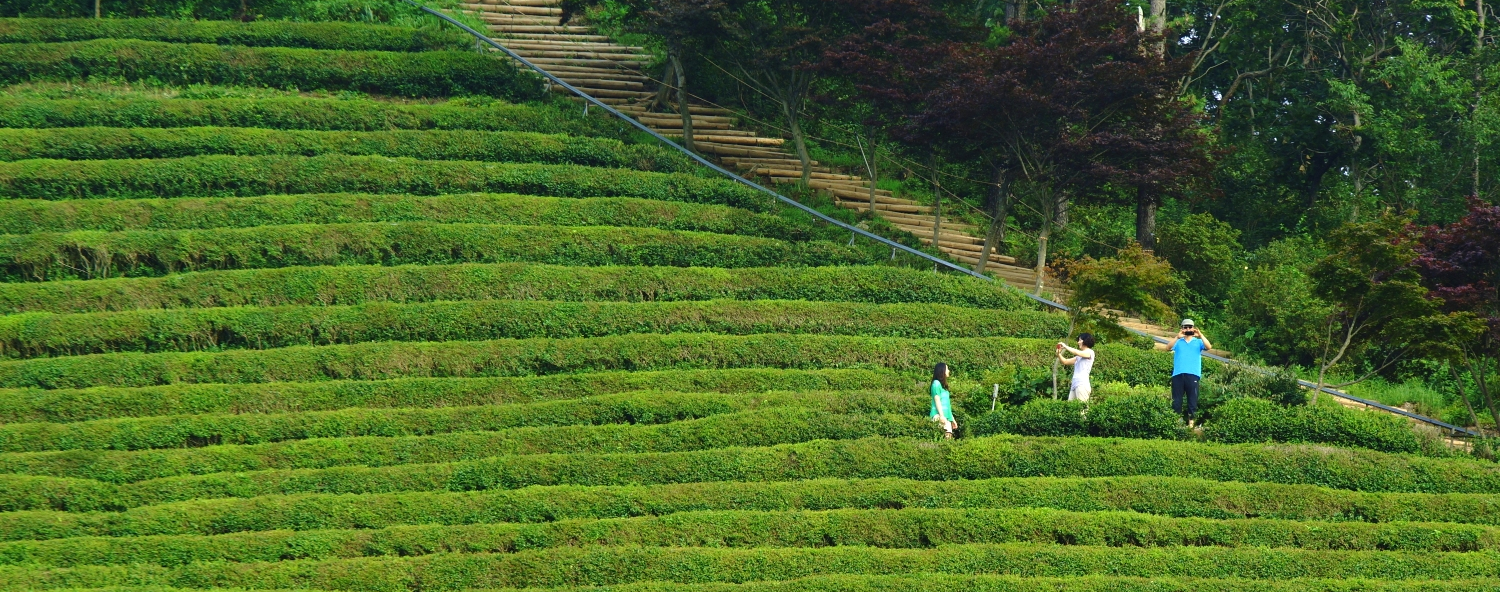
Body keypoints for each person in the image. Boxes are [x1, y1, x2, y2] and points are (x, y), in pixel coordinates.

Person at [1166, 319, 1211, 427]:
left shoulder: (1198, 342)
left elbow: (1209, 347)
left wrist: (1200, 335)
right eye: (1185, 327)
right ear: (1182, 328)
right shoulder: (1178, 342)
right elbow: (1167, 348)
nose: (1188, 329)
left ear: (1193, 328)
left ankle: (1191, 424)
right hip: (1178, 375)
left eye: (1190, 327)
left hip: (1193, 374)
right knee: (1176, 400)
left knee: (1192, 400)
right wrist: (1177, 337)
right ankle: (1176, 423)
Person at [1057, 333, 1097, 402]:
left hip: (1082, 384)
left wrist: (1066, 347)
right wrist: (1058, 354)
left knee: (1082, 410)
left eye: (1080, 340)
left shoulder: (1090, 352)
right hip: (1074, 384)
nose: (1078, 342)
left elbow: (1077, 352)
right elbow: (1065, 361)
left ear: (1085, 340)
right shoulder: (1079, 357)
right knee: (1071, 408)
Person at [930, 362, 956, 438]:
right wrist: (941, 416)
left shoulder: (944, 387)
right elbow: (937, 400)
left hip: (946, 417)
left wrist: (952, 419)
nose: (948, 371)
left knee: (948, 439)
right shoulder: (936, 383)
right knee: (942, 439)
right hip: (939, 416)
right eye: (947, 369)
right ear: (942, 370)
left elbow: (947, 405)